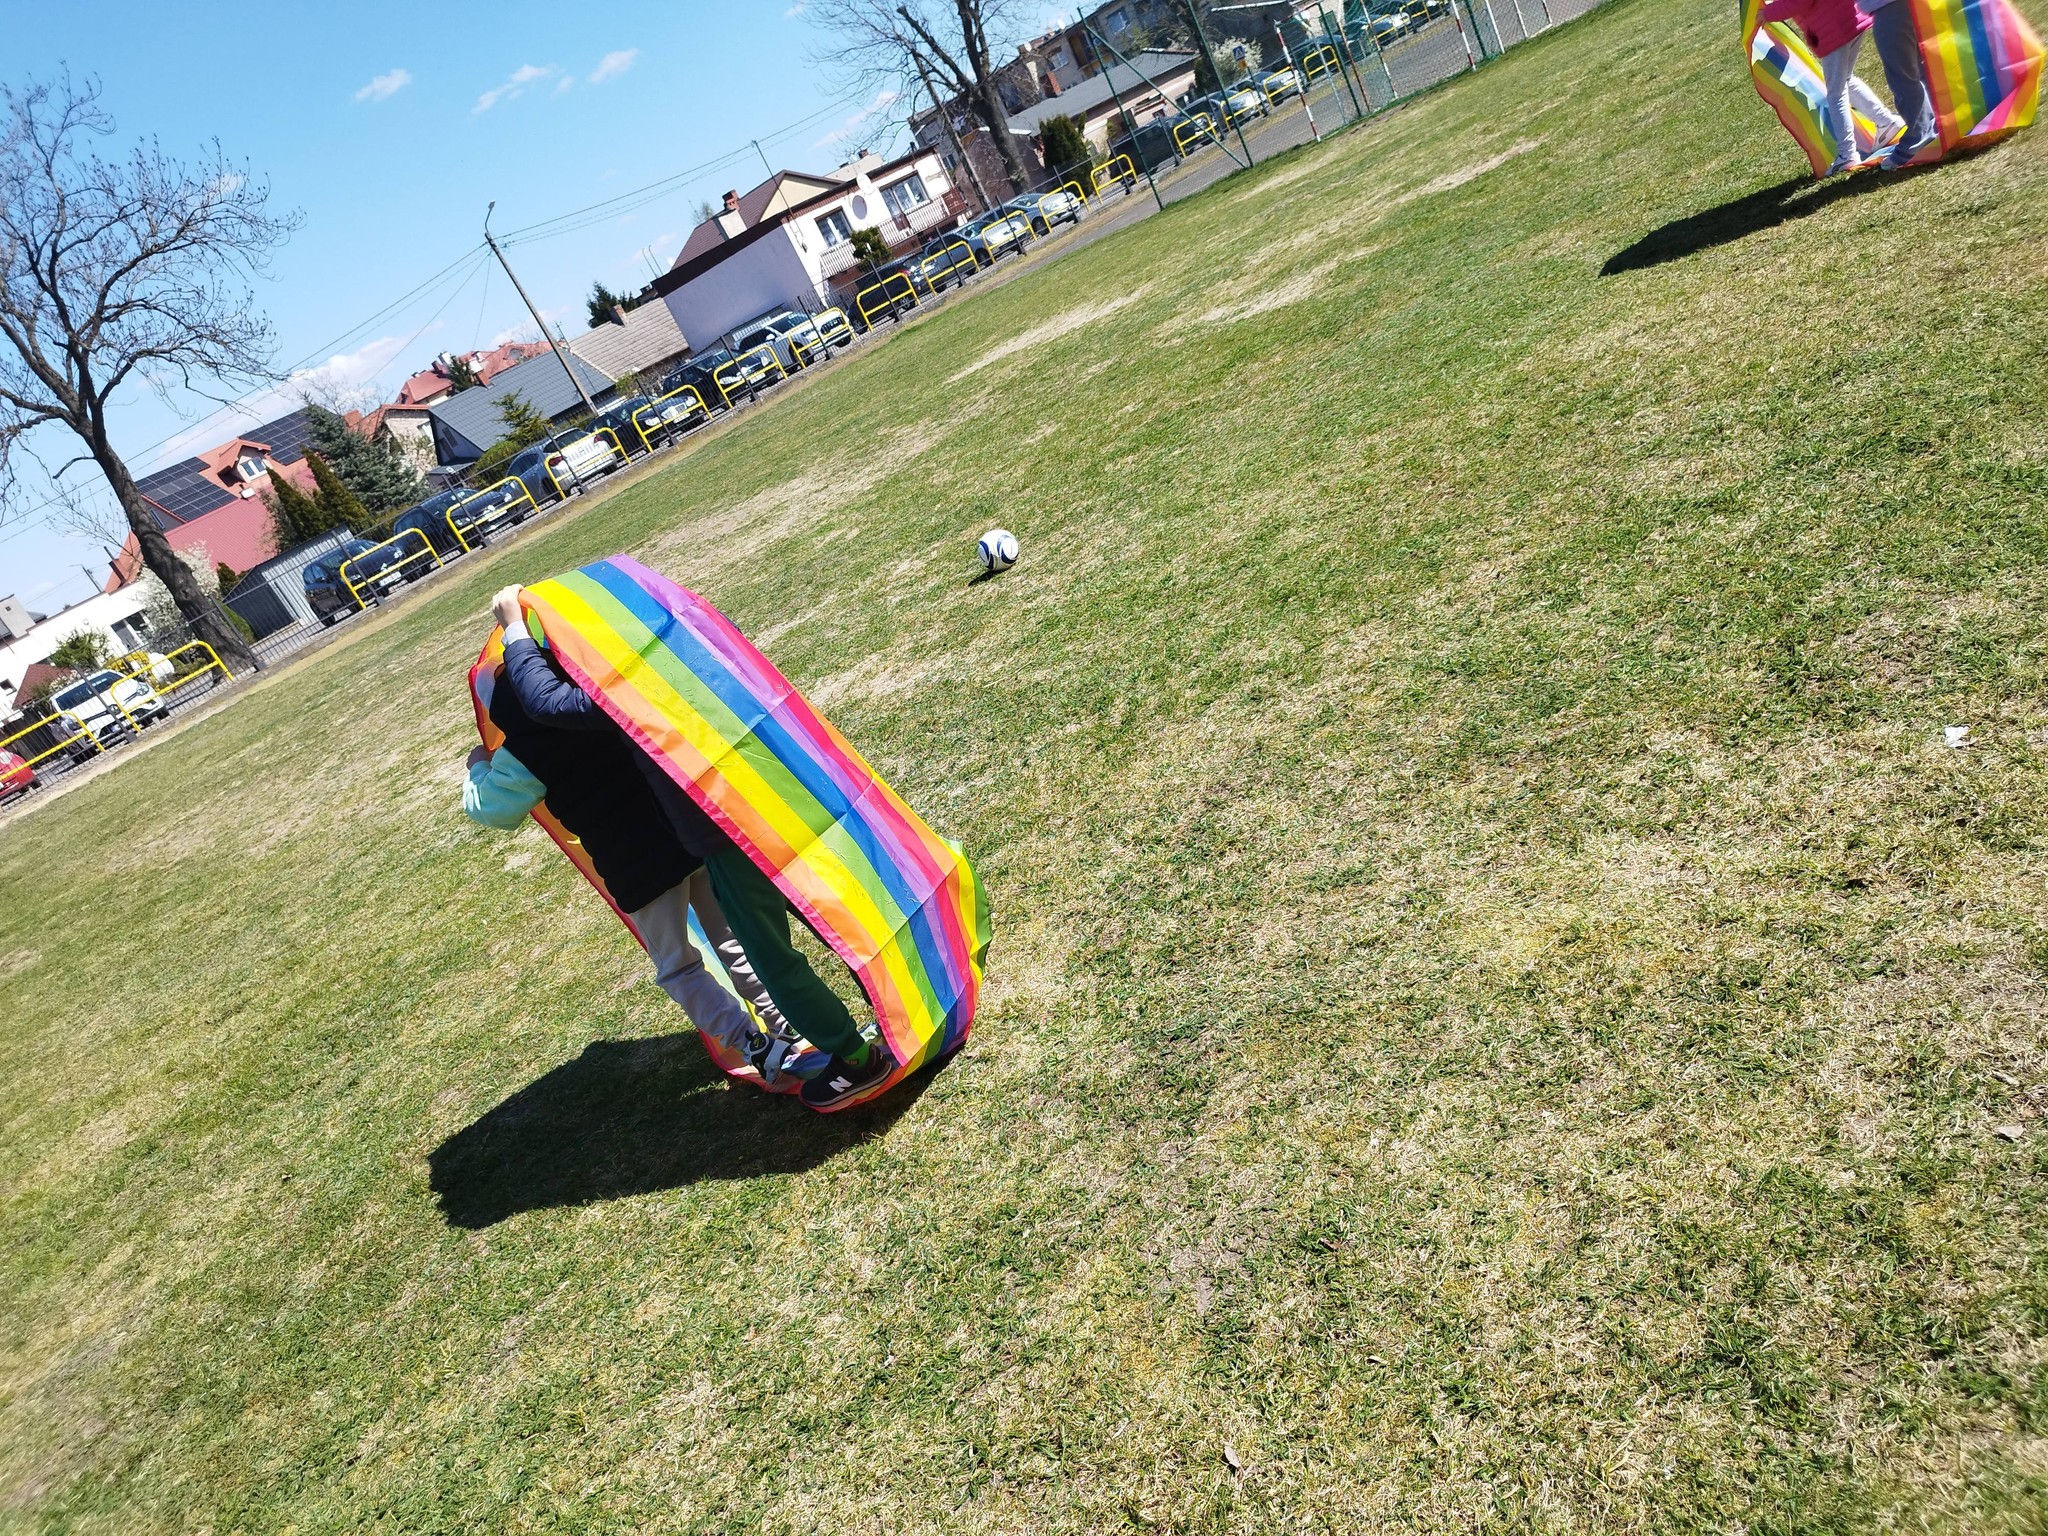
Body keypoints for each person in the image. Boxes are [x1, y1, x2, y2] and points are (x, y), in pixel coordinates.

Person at [485, 585, 898, 1111]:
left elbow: (544, 706)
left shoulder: (621, 696)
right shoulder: (681, 651)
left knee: (762, 955)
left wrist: (514, 630)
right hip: (774, 801)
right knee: (820, 916)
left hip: (713, 835)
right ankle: (879, 1013)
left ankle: (851, 1058)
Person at [464, 611, 801, 1085]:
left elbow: (492, 809)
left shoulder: (521, 754)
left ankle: (752, 1043)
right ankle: (787, 1023)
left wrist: (478, 767)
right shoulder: (588, 701)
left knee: (678, 966)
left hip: (635, 871)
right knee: (733, 937)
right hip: (683, 837)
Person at [1761, 0, 1906, 175]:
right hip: (1848, 20)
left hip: (1832, 29)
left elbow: (1799, 2)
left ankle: (1847, 153)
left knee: (1835, 94)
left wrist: (1768, 13)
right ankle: (1886, 123)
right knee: (1845, 79)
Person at [1859, 0, 1940, 168]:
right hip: (1903, 6)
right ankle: (1936, 127)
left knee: (1902, 76)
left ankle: (1919, 137)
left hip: (1888, 7)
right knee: (1919, 67)